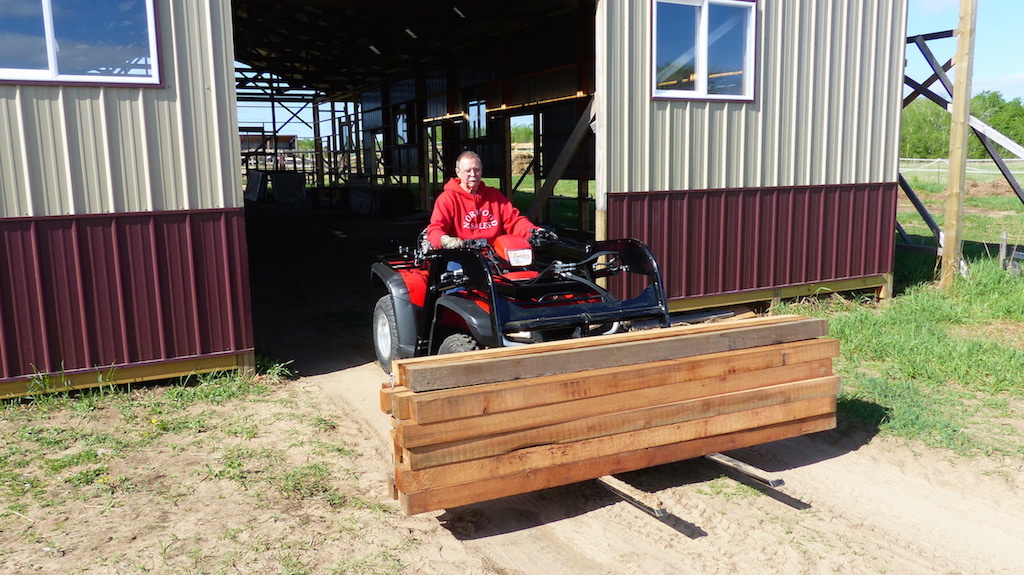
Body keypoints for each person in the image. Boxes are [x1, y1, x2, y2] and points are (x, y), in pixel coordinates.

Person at [425, 150, 555, 249]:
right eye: (468, 171)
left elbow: (514, 221)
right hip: (462, 254)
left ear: (481, 170)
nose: (473, 175)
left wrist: (535, 232)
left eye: (476, 170)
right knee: (459, 284)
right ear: (458, 172)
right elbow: (435, 229)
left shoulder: (494, 196)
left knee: (525, 277)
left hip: (494, 253)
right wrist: (445, 240)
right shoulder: (447, 199)